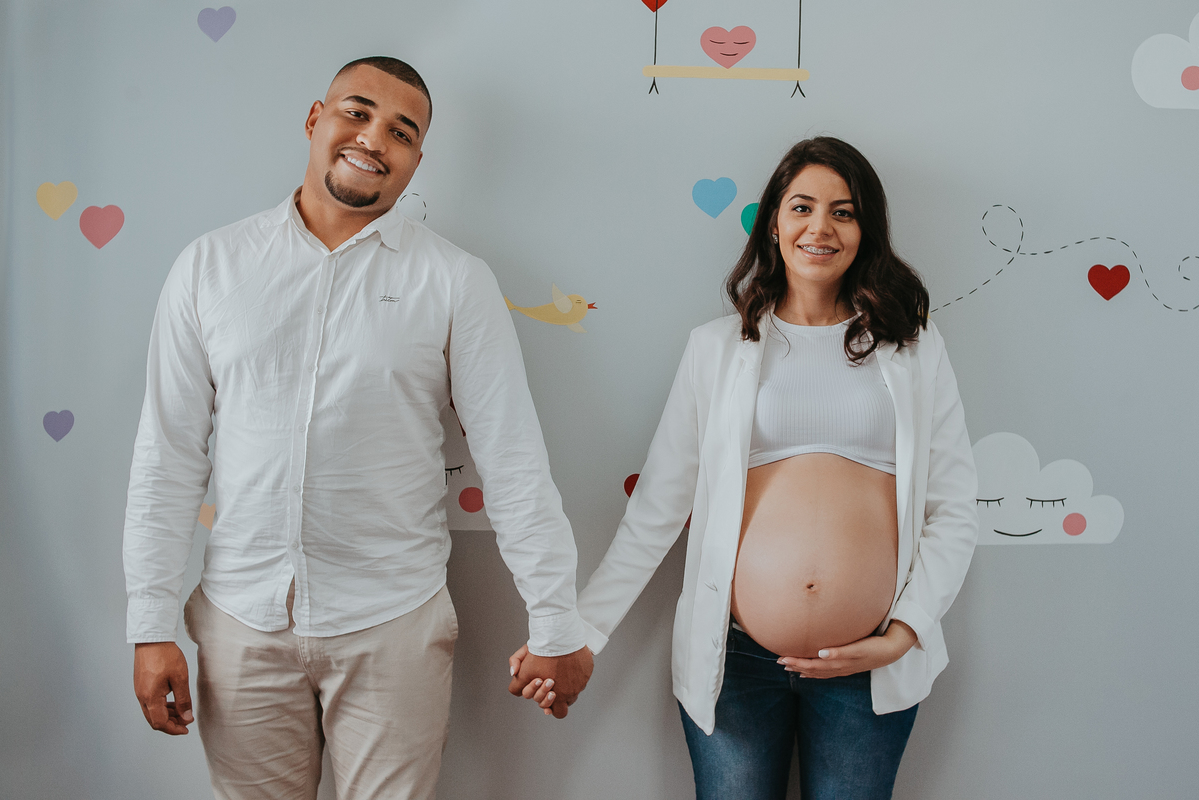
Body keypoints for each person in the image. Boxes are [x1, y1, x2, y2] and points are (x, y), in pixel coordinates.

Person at [123, 56, 592, 800]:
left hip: (391, 623)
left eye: (401, 132)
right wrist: (150, 623)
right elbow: (168, 455)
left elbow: (512, 461)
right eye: (357, 112)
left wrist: (557, 622)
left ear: (416, 160)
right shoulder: (209, 267)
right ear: (315, 119)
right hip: (240, 620)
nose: (374, 138)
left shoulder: (454, 281)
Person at [512, 137, 979, 798]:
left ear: (866, 229)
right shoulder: (716, 348)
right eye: (802, 207)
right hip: (733, 664)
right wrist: (577, 636)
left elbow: (954, 507)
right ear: (774, 224)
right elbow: (658, 510)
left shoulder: (912, 346)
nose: (820, 227)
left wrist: (904, 633)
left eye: (843, 212)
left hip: (867, 665)